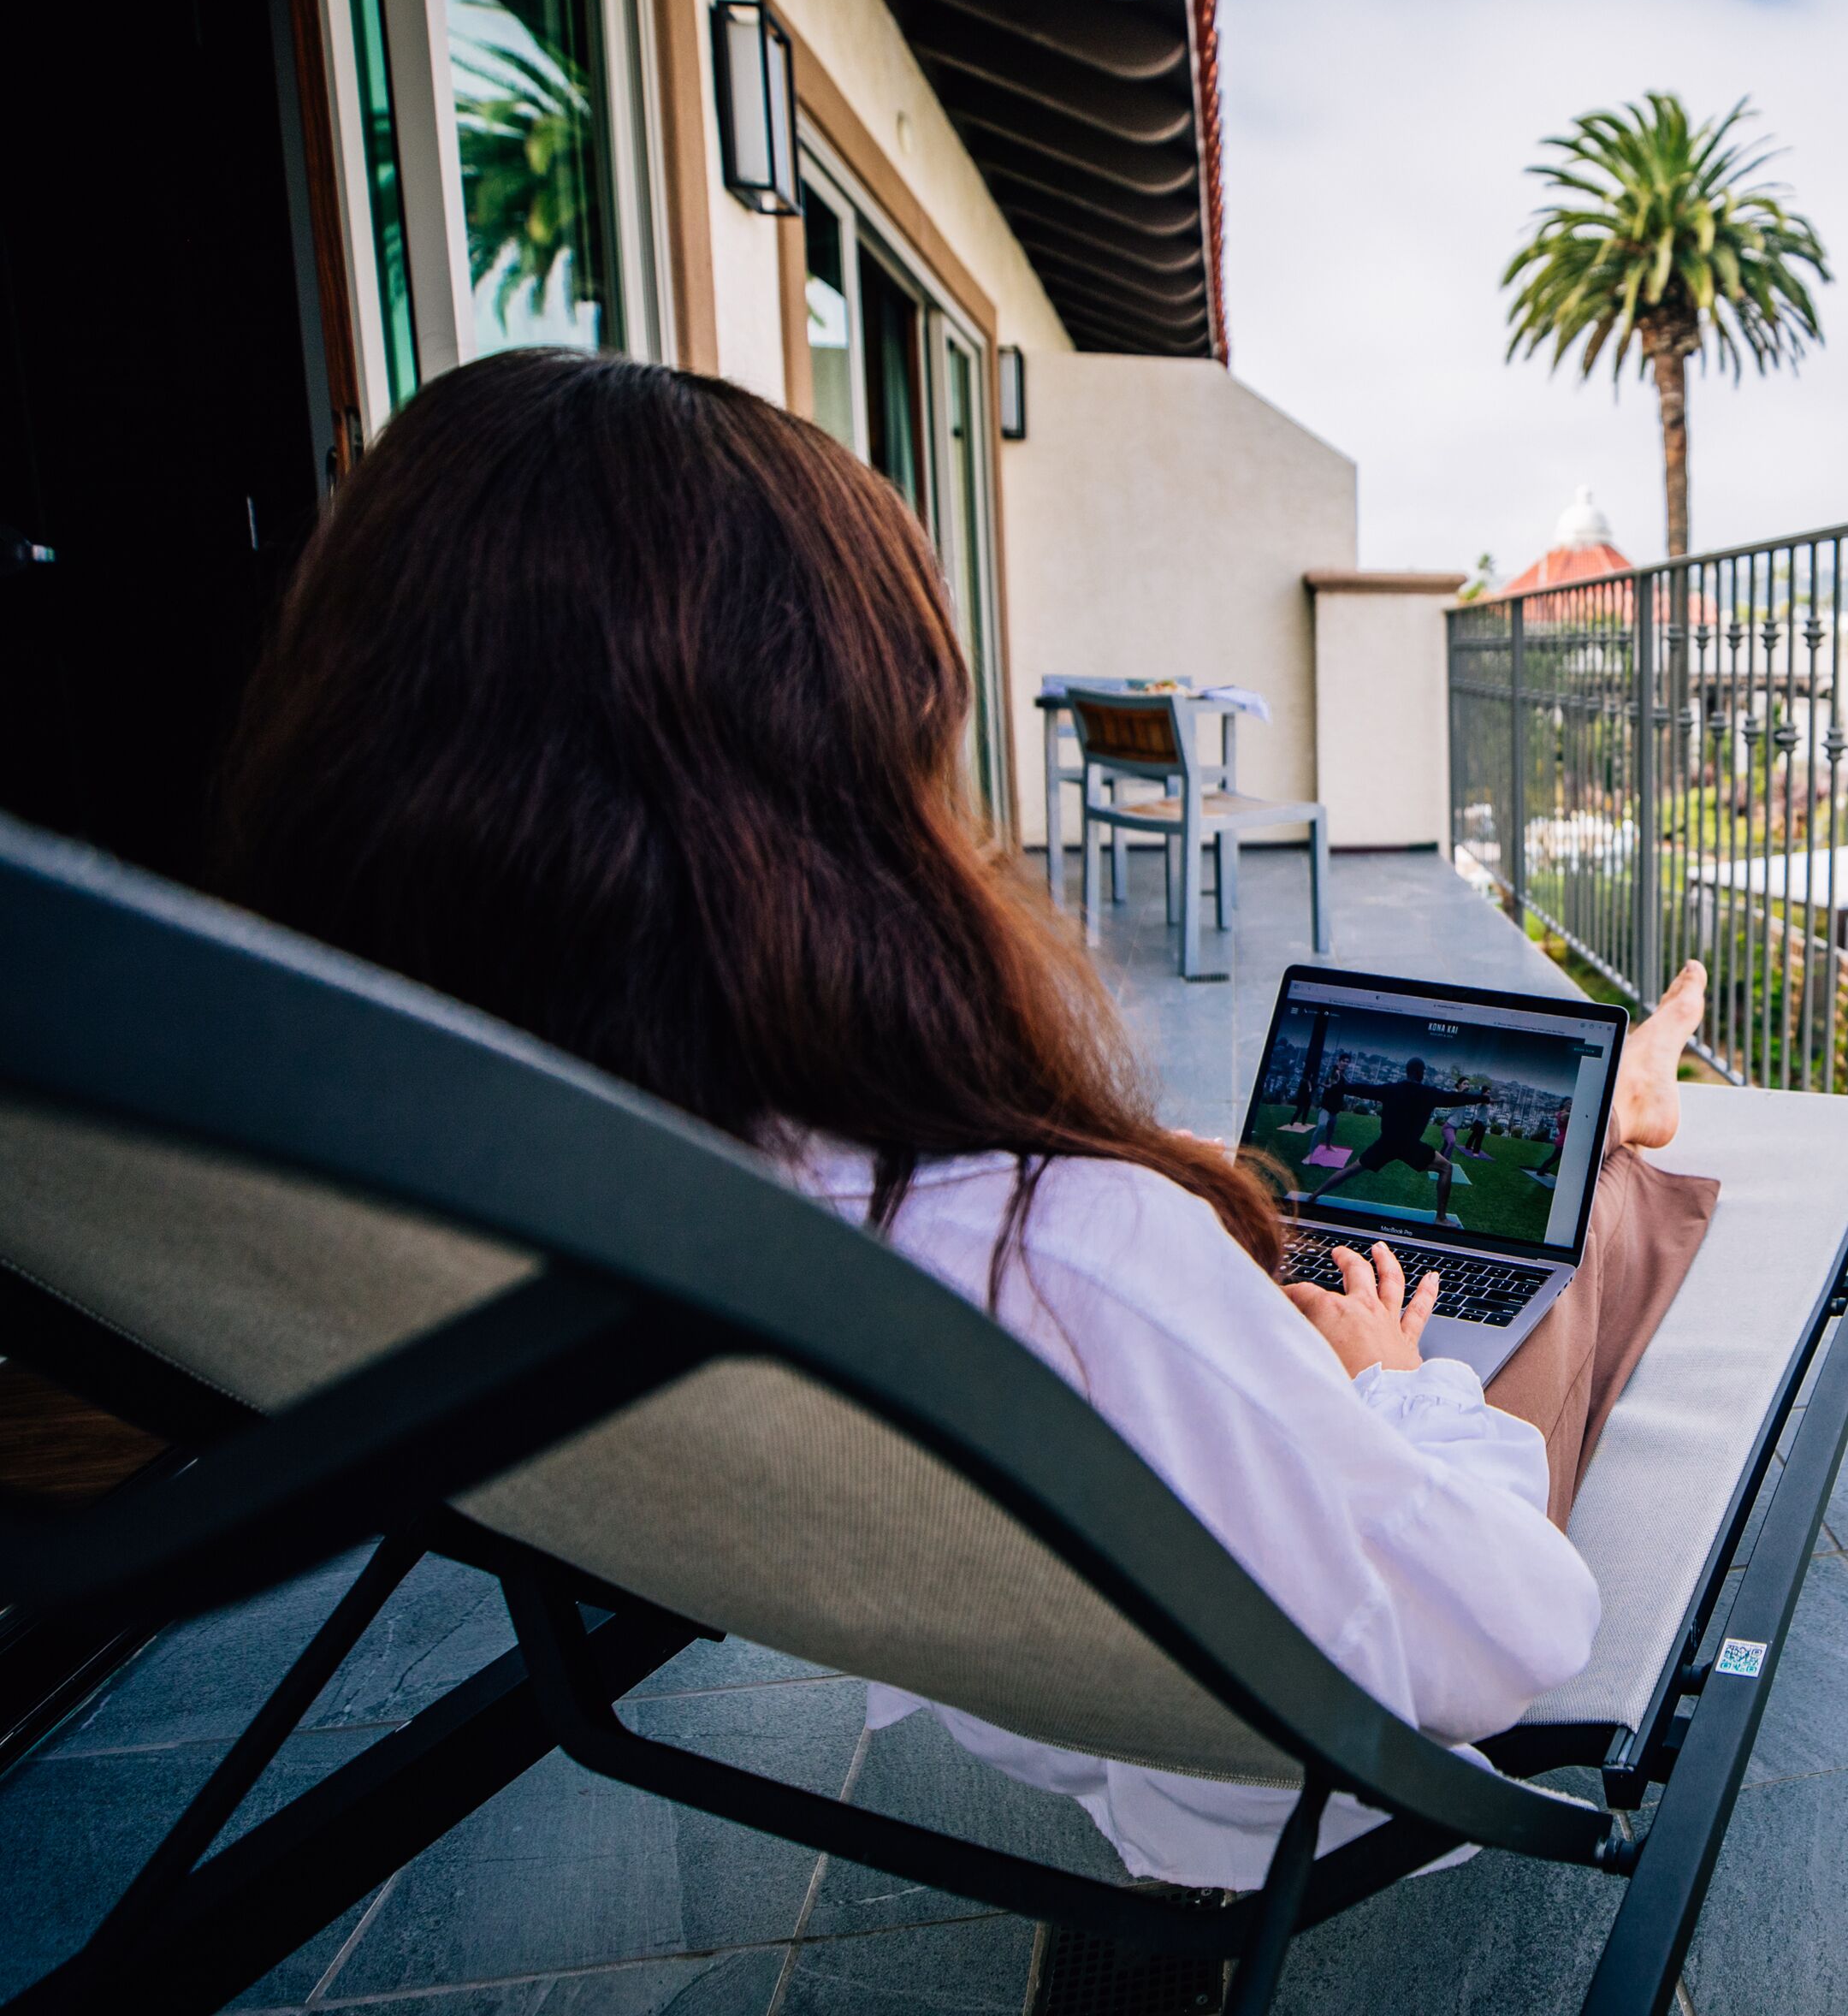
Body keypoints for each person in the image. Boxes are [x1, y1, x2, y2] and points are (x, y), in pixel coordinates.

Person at [208, 349, 1715, 1892]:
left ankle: (1618, 1098)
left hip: (1059, 1632)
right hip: (1281, 1772)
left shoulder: (441, 1186)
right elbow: (1512, 1635)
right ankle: (1626, 1103)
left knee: (1265, 1188)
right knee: (1580, 1242)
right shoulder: (1058, 1253)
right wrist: (1395, 1387)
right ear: (853, 776)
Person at [1300, 1054, 1484, 1205]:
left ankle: (1314, 1195)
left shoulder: (1391, 1089)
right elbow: (1456, 1098)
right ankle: (1441, 1218)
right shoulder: (1429, 1093)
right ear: (1420, 1072)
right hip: (1410, 1146)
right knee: (1446, 1168)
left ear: (1407, 1072)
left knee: (1351, 1170)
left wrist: (1338, 1087)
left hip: (1386, 1144)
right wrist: (1483, 1098)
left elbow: (1362, 1089)